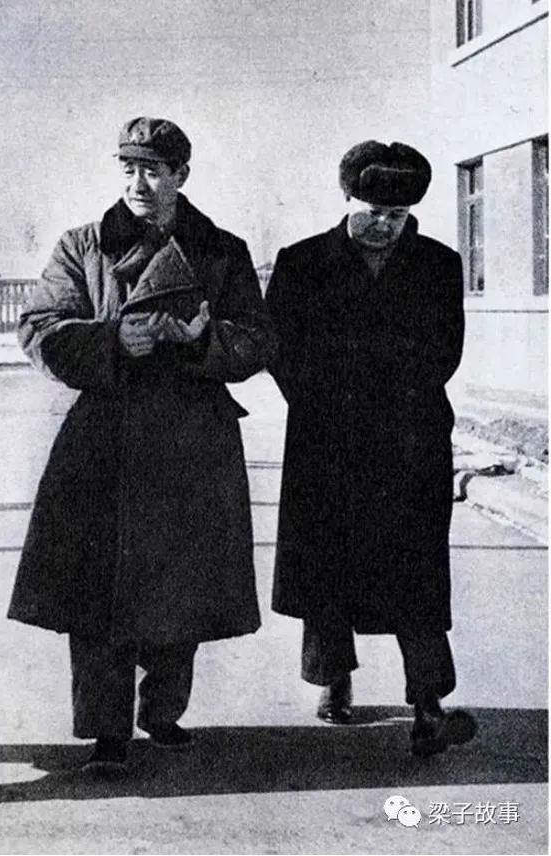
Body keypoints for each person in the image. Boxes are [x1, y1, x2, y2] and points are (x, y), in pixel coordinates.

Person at [9, 117, 275, 777]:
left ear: (182, 175)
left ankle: (163, 711)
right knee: (97, 589)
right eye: (127, 167)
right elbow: (40, 327)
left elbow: (256, 340)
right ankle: (105, 732)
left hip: (192, 439)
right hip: (104, 437)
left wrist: (197, 342)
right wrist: (111, 342)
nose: (138, 182)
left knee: (179, 588)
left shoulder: (221, 250)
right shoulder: (83, 246)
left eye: (153, 169)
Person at [266, 140, 477, 757]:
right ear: (347, 198)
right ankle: (333, 680)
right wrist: (335, 391)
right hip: (326, 437)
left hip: (409, 441)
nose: (385, 224)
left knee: (417, 572)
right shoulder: (302, 262)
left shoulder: (438, 265)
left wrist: (370, 380)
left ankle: (429, 704)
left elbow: (445, 353)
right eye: (373, 210)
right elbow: (282, 351)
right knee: (326, 562)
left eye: (399, 214)